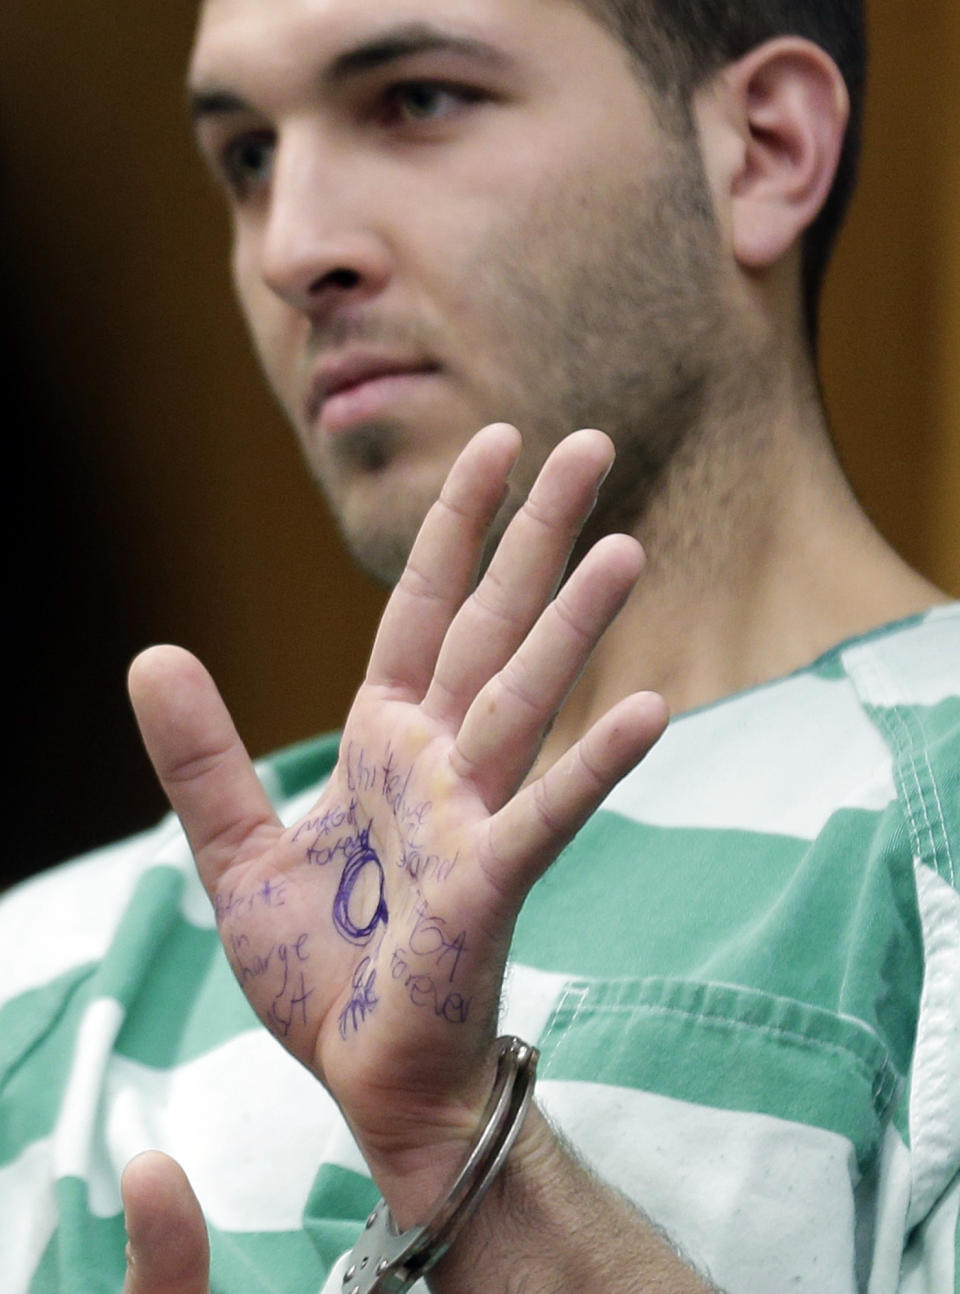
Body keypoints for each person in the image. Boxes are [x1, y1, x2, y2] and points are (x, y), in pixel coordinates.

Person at [1, 0, 957, 1291]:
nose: (291, 246)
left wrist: (467, 1158)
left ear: (765, 149)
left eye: (418, 100)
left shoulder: (928, 836)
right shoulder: (43, 979)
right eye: (246, 157)